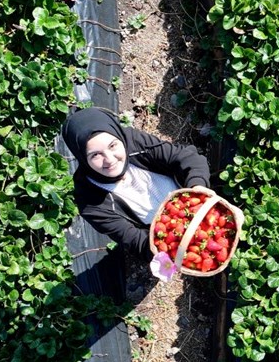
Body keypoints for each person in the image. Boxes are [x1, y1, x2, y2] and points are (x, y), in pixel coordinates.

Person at [61, 107, 212, 260]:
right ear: (81, 157)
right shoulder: (90, 202)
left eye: (112, 146)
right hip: (162, 232)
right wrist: (171, 248)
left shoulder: (132, 141)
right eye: (95, 155)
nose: (110, 159)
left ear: (118, 136)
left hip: (191, 201)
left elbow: (187, 158)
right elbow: (136, 241)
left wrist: (197, 189)